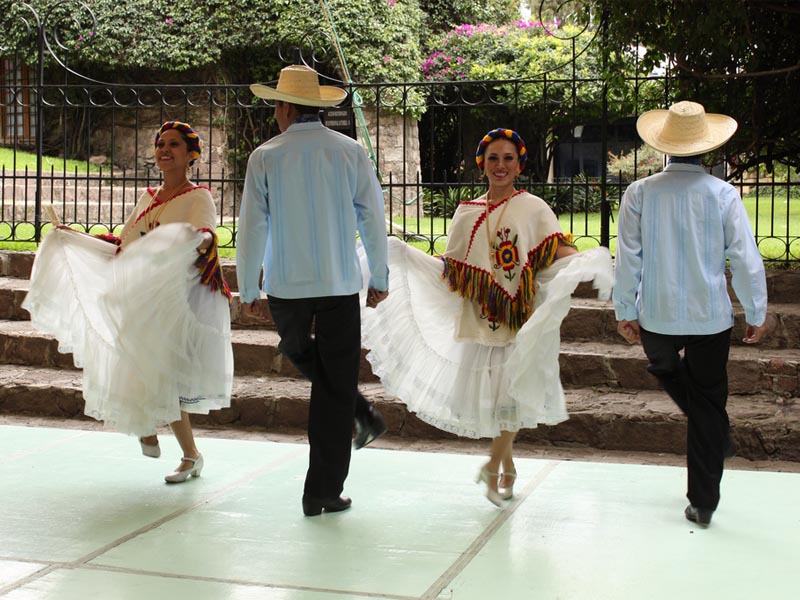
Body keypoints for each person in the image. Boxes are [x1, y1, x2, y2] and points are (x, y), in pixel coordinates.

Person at [359, 128, 613, 507]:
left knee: (510, 394)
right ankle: (506, 466)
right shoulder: (467, 212)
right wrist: (407, 256)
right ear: (482, 164)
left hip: (519, 318)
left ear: (519, 164)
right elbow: (455, 266)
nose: (501, 166)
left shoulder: (534, 208)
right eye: (493, 158)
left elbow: (555, 249)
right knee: (498, 402)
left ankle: (493, 465)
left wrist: (587, 260)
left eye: (508, 158)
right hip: (480, 319)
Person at [22, 121, 234, 483]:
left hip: (172, 299)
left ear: (190, 155)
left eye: (174, 145)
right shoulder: (149, 197)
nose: (164, 150)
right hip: (135, 299)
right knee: (143, 370)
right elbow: (127, 243)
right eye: (160, 144)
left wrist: (189, 239)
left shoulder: (198, 197)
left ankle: (179, 448)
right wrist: (76, 238)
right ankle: (173, 444)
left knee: (160, 372)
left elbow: (206, 238)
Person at [236, 65, 389, 517]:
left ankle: (353, 419)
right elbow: (373, 219)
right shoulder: (349, 152)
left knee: (306, 357)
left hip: (285, 285)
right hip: (340, 282)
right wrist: (379, 277)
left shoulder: (265, 156)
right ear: (317, 108)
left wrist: (248, 287)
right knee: (335, 385)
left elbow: (252, 226)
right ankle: (323, 488)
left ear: (284, 107)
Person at [613, 100, 768, 528]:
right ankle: (703, 503)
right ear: (707, 149)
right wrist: (756, 310)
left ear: (664, 147)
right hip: (711, 318)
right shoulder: (723, 195)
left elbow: (629, 258)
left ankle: (713, 436)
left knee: (665, 369)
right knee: (707, 400)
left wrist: (625, 308)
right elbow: (745, 258)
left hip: (656, 316)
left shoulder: (639, 193)